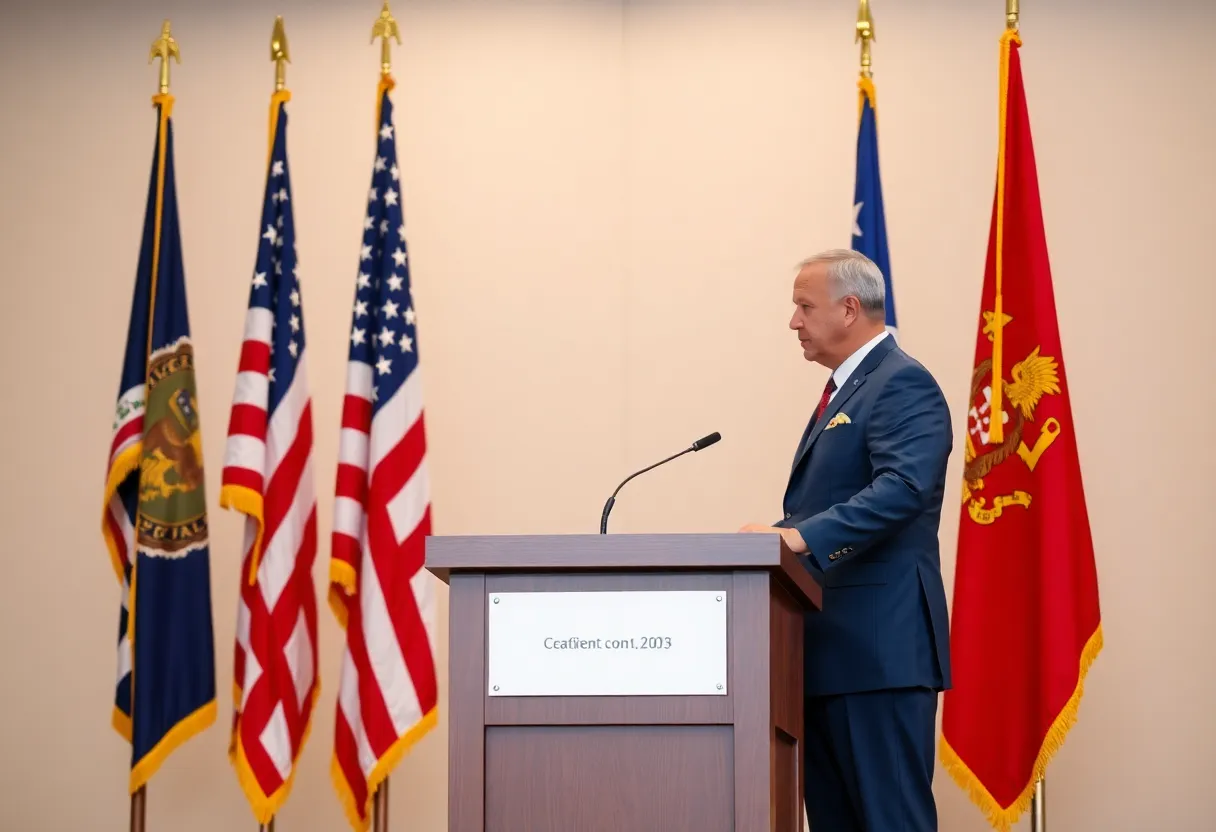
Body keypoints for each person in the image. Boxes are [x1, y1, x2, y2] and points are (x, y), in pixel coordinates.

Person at [740, 249, 953, 832]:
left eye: (804, 307)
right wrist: (787, 537)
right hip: (827, 654)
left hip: (879, 652)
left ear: (850, 309)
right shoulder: (847, 389)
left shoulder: (901, 381)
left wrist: (798, 536)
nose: (794, 322)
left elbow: (904, 488)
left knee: (891, 821)